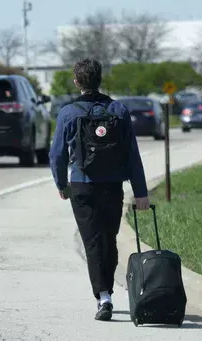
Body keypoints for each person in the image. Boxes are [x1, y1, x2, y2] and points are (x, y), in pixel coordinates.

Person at [49, 58, 150, 321]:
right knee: (108, 239)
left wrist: (62, 184)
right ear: (100, 79)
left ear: (77, 81)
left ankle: (103, 296)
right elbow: (132, 155)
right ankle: (106, 291)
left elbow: (57, 155)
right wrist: (140, 192)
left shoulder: (68, 113)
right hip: (112, 185)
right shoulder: (119, 110)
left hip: (82, 185)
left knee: (93, 242)